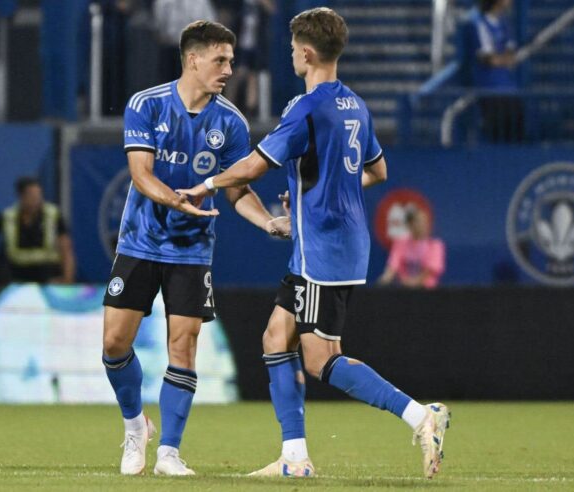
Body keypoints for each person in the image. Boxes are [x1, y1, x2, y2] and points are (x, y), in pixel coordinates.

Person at [177, 7, 450, 479]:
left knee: (322, 359)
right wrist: (318, 189)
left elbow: (253, 166)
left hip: (325, 249)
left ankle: (420, 415)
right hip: (327, 243)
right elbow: (378, 171)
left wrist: (206, 185)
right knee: (274, 337)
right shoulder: (354, 105)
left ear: (305, 53)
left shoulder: (306, 107)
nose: (290, 57)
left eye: (290, 51)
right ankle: (295, 458)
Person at [103, 20, 286, 477]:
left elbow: (238, 190)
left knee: (183, 345)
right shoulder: (146, 105)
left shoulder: (231, 122)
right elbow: (141, 175)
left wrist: (266, 221)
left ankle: (168, 453)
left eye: (230, 60)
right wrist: (177, 199)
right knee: (113, 343)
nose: (228, 68)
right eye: (220, 59)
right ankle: (134, 426)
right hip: (141, 242)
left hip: (191, 251)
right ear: (193, 59)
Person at [0, 177, 75, 283]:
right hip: (17, 278)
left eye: (39, 195)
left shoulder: (53, 215)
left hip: (47, 276)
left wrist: (67, 278)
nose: (37, 200)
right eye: (32, 196)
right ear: (21, 196)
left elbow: (65, 248)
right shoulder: (8, 217)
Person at [464, 0, 523, 142]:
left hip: (510, 90)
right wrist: (500, 60)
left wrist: (501, 59)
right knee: (495, 138)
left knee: (516, 137)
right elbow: (489, 59)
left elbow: (511, 56)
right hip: (490, 91)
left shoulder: (505, 22)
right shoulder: (477, 22)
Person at [378, 208, 446, 289]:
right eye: (418, 222)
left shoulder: (435, 245)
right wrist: (384, 280)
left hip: (427, 291)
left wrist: (414, 283)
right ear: (410, 225)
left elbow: (430, 270)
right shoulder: (400, 243)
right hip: (404, 290)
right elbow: (393, 266)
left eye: (425, 222)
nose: (422, 225)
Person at [153, 0, 217, 83]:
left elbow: (210, 26)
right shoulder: (162, 2)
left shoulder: (201, 2)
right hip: (169, 51)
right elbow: (157, 30)